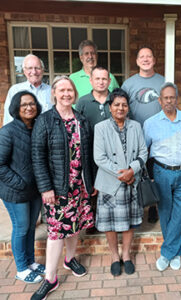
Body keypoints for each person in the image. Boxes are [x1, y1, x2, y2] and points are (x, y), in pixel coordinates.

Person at [31, 76, 96, 300]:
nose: (66, 94)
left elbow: (88, 156)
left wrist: (90, 181)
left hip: (80, 186)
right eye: (62, 90)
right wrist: (45, 188)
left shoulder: (82, 120)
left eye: (70, 90)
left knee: (75, 224)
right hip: (57, 189)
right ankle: (50, 277)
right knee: (56, 232)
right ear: (55, 94)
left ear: (74, 94)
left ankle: (70, 259)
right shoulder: (45, 120)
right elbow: (37, 157)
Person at [143, 82, 181, 271]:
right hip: (162, 172)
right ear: (160, 101)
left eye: (172, 97)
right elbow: (144, 149)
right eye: (165, 98)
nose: (169, 100)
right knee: (165, 210)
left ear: (176, 99)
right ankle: (175, 251)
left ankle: (168, 253)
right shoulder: (150, 123)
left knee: (180, 212)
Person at [94, 88, 148, 276]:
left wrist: (132, 170)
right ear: (110, 107)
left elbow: (143, 152)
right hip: (111, 184)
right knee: (110, 224)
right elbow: (99, 158)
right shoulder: (100, 128)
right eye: (116, 104)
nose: (120, 108)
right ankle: (114, 257)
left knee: (130, 223)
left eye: (124, 105)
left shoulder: (136, 126)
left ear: (128, 107)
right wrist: (122, 174)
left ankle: (126, 255)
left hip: (131, 182)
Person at [0, 91, 44, 283]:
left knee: (31, 228)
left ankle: (31, 262)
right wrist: (19, 183)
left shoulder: (37, 128)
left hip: (34, 190)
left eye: (32, 103)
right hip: (14, 191)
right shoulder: (7, 132)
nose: (29, 107)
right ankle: (21, 268)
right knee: (21, 227)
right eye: (24, 104)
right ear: (16, 108)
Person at [121, 46, 165, 223]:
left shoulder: (164, 81)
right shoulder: (129, 84)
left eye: (149, 56)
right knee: (137, 170)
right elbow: (122, 108)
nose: (146, 59)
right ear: (137, 61)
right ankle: (137, 205)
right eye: (142, 57)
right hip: (135, 136)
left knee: (156, 172)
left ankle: (153, 205)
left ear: (154, 60)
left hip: (159, 136)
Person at [76, 66, 111, 234]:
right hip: (89, 152)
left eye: (104, 79)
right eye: (97, 78)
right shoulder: (83, 102)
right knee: (92, 186)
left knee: (110, 186)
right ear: (91, 81)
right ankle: (92, 221)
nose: (101, 82)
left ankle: (110, 220)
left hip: (112, 153)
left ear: (109, 81)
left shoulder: (115, 100)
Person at [3, 54, 52, 125]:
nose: (34, 72)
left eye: (37, 68)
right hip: (22, 134)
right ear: (24, 71)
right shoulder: (15, 90)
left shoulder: (52, 91)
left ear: (42, 70)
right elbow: (8, 118)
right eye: (30, 68)